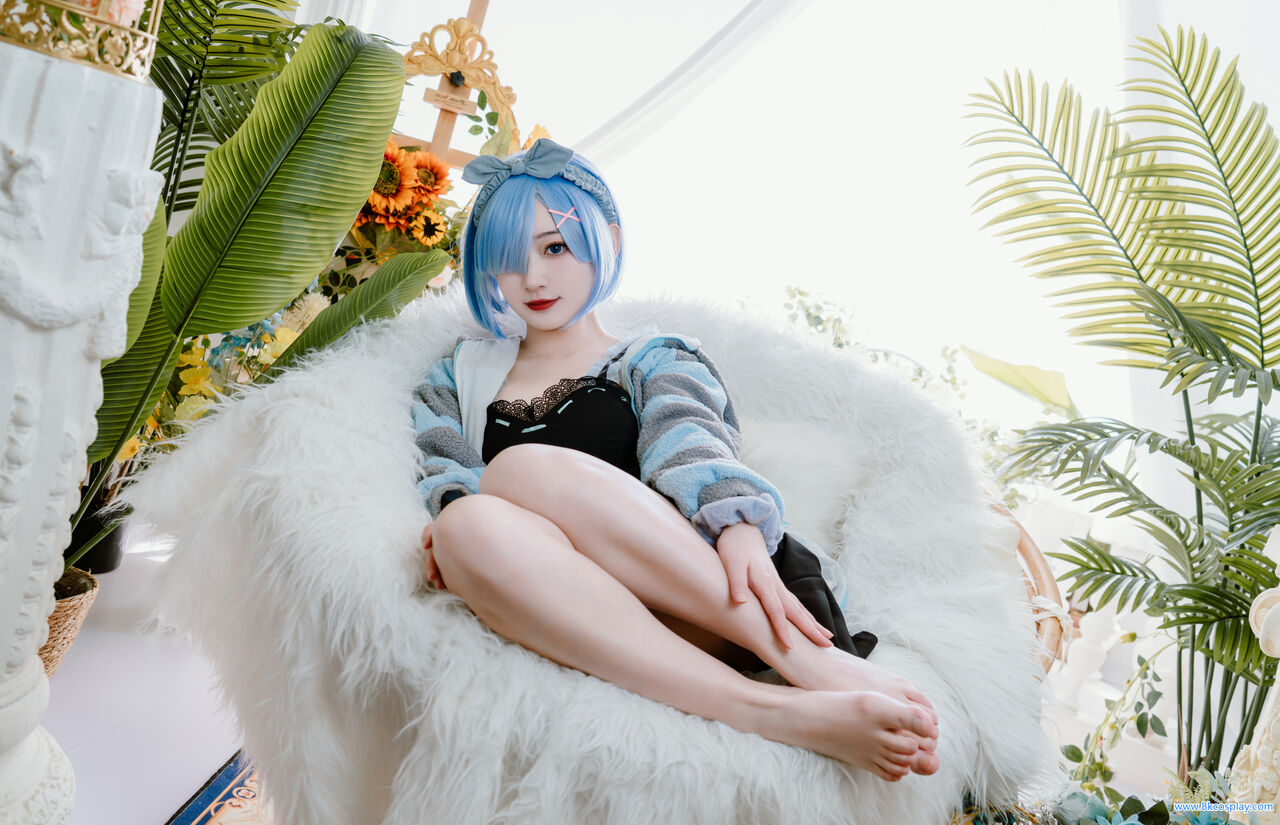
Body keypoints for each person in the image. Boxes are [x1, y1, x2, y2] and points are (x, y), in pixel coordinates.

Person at [412, 138, 941, 781]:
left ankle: (808, 662)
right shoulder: (458, 376)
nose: (534, 279)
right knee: (466, 521)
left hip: (706, 595)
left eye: (555, 248)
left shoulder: (654, 357)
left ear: (606, 239)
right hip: (575, 608)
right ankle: (773, 713)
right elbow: (444, 469)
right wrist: (456, 522)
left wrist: (738, 524)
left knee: (518, 469)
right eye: (507, 259)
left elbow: (689, 439)